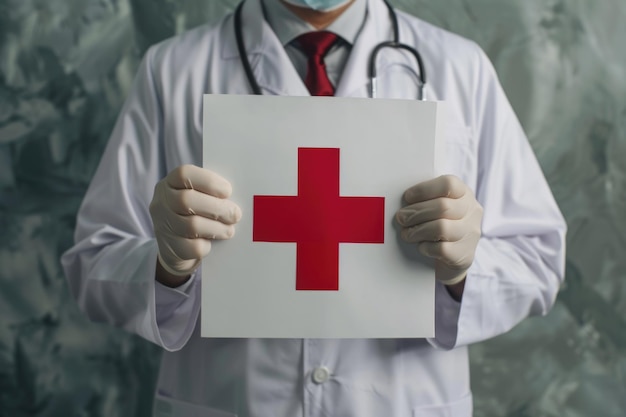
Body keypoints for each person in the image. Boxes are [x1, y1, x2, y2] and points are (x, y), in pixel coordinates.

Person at [61, 0, 567, 415]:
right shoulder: (172, 69)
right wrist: (166, 269)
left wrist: (461, 274)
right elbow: (91, 262)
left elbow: (538, 258)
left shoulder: (459, 67)